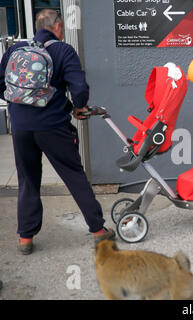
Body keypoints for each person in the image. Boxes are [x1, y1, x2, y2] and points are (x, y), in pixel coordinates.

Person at [0, 9, 115, 255]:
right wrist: (79, 107)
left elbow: (2, 84)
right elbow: (79, 87)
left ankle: (25, 238)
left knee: (27, 179)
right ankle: (98, 231)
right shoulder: (63, 51)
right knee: (74, 174)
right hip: (52, 126)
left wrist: (20, 106)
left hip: (20, 126)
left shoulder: (15, 50)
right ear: (59, 27)